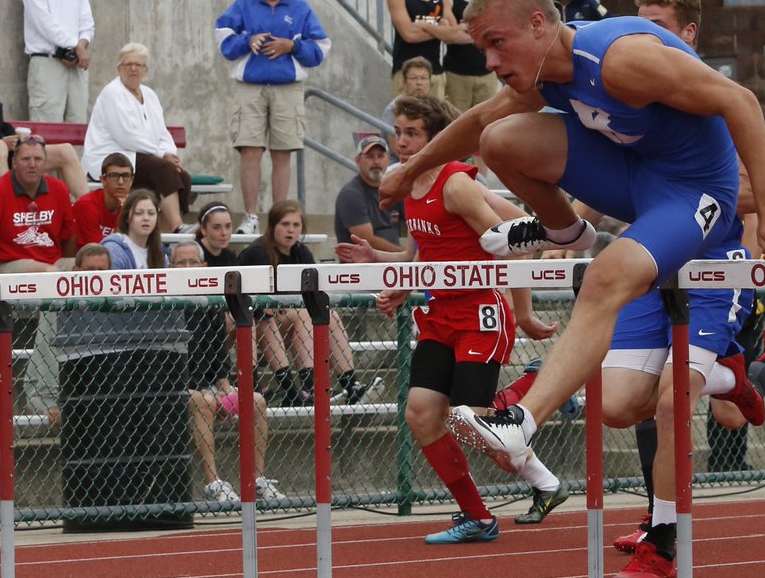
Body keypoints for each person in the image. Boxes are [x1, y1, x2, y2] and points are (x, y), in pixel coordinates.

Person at [377, 0, 765, 487]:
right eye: (481, 49)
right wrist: (410, 171)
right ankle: (562, 229)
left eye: (497, 43)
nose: (491, 63)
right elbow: (476, 121)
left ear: (539, 24)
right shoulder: (541, 72)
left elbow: (740, 100)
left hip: (695, 189)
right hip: (633, 180)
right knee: (498, 138)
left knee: (606, 281)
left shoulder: (621, 60)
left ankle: (521, 422)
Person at [528, 0, 765, 578]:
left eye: (654, 25)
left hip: (715, 267)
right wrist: (544, 228)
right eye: (634, 23)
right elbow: (607, 198)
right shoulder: (630, 103)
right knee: (627, 404)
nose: (637, 36)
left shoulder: (707, 98)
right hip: (655, 264)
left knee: (673, 398)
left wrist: (764, 222)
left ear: (686, 36)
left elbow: (746, 188)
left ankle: (664, 539)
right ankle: (755, 370)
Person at [336, 94, 568, 541]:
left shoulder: (456, 184)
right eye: (398, 132)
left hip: (479, 312)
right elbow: (420, 253)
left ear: (438, 139)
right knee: (422, 415)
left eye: (412, 134)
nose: (401, 142)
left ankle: (537, 384)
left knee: (471, 422)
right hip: (441, 314)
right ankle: (479, 517)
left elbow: (510, 243)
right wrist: (382, 267)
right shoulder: (403, 185)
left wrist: (523, 310)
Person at [216, 0, 330, 235]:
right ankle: (251, 216)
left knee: (282, 153)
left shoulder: (300, 6)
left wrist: (291, 46)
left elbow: (320, 48)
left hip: (287, 87)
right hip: (250, 86)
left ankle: (279, 217)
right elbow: (222, 36)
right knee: (250, 150)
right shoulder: (244, 3)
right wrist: (248, 39)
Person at [172, 240, 285, 504]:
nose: (188, 268)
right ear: (171, 266)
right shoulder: (166, 305)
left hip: (210, 387)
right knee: (204, 401)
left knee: (256, 400)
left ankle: (257, 480)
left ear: (203, 266)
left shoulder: (211, 303)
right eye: (181, 262)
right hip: (177, 389)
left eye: (192, 262)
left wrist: (226, 387)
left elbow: (219, 360)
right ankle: (213, 483)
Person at [238, 200, 378, 407]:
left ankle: (351, 384)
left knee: (330, 316)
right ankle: (309, 387)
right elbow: (246, 300)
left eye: (296, 225)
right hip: (259, 328)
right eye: (285, 224)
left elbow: (315, 294)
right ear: (273, 226)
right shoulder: (256, 252)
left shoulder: (301, 253)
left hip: (292, 327)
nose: (291, 230)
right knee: (304, 314)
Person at [0, 44, 88, 199]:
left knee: (65, 150)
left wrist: (16, 140)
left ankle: (90, 212)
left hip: (1, 154)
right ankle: (10, 209)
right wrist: (1, 142)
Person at [82, 43, 192, 233]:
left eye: (138, 65)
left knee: (183, 175)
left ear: (145, 70)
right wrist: (160, 155)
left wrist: (168, 152)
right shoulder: (112, 92)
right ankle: (177, 227)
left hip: (141, 157)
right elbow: (126, 136)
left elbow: (162, 133)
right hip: (111, 157)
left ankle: (167, 235)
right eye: (128, 64)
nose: (133, 68)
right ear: (119, 68)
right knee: (165, 169)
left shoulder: (150, 95)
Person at [23, 243, 112, 426]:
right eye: (88, 270)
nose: (94, 277)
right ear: (75, 270)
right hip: (50, 390)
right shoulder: (56, 306)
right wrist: (51, 401)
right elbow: (47, 353)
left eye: (101, 270)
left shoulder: (115, 302)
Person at [0, 135, 76, 274]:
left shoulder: (59, 189)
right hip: (8, 264)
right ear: (14, 162)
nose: (32, 164)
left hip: (53, 262)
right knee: (48, 272)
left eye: (38, 159)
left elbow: (69, 235)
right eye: (26, 159)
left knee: (89, 267)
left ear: (45, 164)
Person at [22, 0, 94, 123]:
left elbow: (87, 23)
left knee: (78, 123)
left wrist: (80, 46)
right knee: (46, 125)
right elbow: (43, 22)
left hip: (76, 64)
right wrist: (75, 46)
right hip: (47, 62)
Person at [417, 0, 499, 114]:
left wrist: (465, 29)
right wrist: (481, 31)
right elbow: (450, 36)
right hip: (457, 72)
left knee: (488, 121)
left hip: (486, 71)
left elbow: (496, 32)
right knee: (455, 122)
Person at [388, 0, 454, 100]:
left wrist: (424, 26)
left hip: (435, 74)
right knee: (406, 123)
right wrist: (439, 29)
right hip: (406, 74)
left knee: (437, 124)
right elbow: (409, 35)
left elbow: (452, 34)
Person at [334, 135, 405, 252]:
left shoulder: (393, 189)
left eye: (381, 156)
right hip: (363, 267)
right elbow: (367, 240)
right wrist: (407, 257)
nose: (376, 162)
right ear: (358, 161)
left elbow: (415, 220)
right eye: (370, 156)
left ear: (388, 159)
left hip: (392, 264)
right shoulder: (350, 194)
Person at [73, 153, 133, 247]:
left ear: (131, 181)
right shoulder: (87, 205)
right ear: (103, 180)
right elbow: (101, 253)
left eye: (126, 176)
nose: (121, 182)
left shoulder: (134, 206)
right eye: (114, 176)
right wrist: (125, 214)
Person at [101, 189, 168, 270]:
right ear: (126, 218)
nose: (146, 218)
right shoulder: (113, 249)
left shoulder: (160, 250)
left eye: (151, 213)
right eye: (138, 213)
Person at [381, 56, 433, 158]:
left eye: (423, 78)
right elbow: (396, 148)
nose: (419, 83)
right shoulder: (395, 108)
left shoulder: (432, 107)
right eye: (413, 78)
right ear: (404, 82)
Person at [196, 200, 239, 267]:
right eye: (216, 227)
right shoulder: (192, 255)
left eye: (228, 226)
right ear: (203, 229)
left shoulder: (231, 257)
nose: (224, 233)